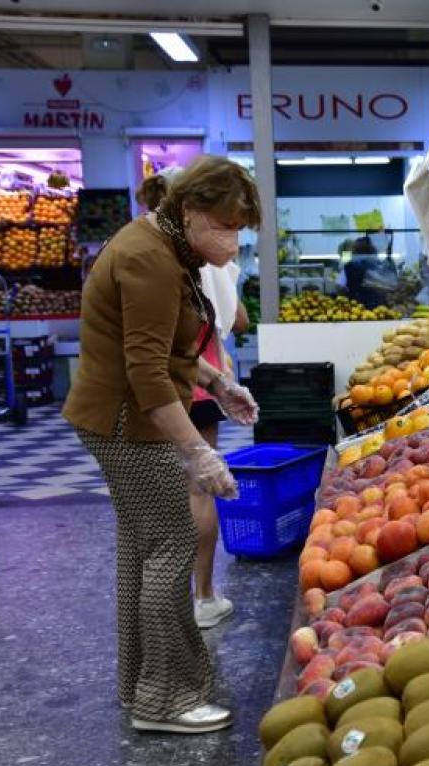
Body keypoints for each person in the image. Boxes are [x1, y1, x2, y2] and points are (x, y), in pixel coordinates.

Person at [65, 155, 260, 734]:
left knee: (141, 549)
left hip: (114, 413)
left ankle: (140, 686)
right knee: (172, 544)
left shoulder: (162, 243)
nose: (232, 240)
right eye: (226, 226)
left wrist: (216, 383)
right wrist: (198, 452)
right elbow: (147, 372)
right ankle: (166, 700)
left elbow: (163, 348)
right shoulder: (149, 258)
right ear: (192, 210)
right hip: (126, 419)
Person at [136, 168, 250, 629]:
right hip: (196, 382)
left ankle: (169, 605)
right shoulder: (191, 257)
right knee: (199, 488)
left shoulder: (154, 252)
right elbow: (237, 320)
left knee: (164, 494)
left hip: (160, 388)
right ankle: (202, 596)